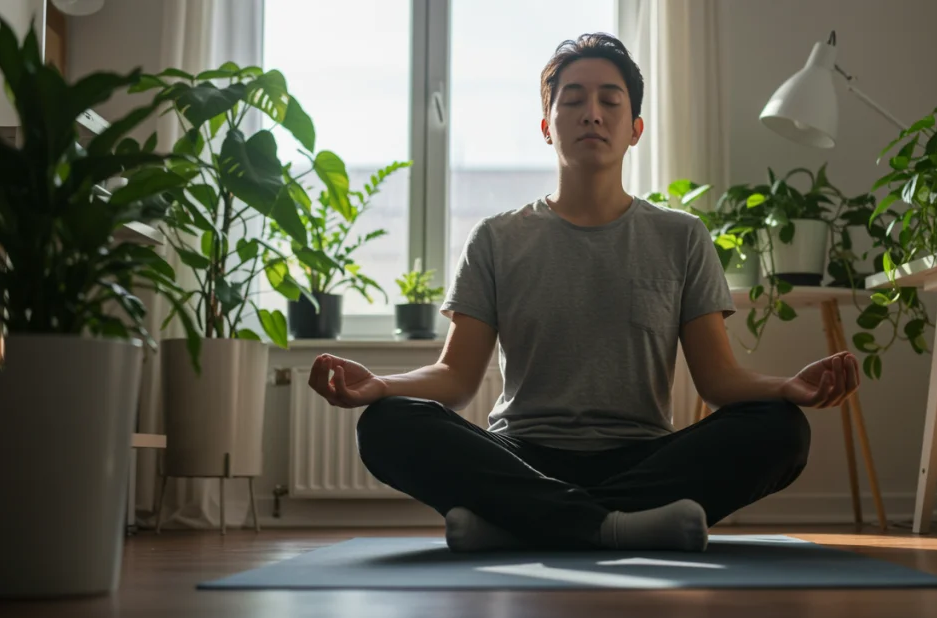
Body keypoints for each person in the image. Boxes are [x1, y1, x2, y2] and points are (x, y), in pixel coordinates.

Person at [308, 33, 860, 553]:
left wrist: (788, 387)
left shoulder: (681, 236)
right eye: (572, 100)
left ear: (635, 128)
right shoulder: (497, 239)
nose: (591, 113)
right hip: (521, 458)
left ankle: (522, 524)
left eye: (609, 101)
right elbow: (454, 380)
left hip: (644, 459)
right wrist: (380, 386)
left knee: (781, 428)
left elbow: (719, 383)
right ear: (548, 126)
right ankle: (610, 526)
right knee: (387, 424)